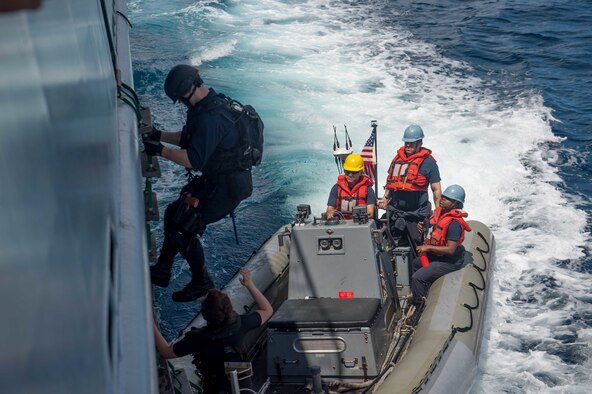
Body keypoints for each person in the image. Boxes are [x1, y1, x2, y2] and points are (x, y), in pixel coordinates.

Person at [143, 64, 258, 302]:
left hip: (227, 188)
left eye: (180, 99)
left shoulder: (211, 117)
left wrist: (161, 150)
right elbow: (190, 138)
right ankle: (163, 270)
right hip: (217, 179)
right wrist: (160, 135)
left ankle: (202, 281)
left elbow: (192, 159)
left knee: (184, 226)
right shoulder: (210, 105)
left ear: (188, 91)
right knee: (175, 212)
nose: (181, 103)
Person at [153, 267, 273, 394]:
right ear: (229, 309)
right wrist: (249, 284)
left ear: (204, 315)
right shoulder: (241, 324)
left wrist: (152, 324)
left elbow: (166, 352)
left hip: (216, 388)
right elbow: (267, 310)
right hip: (244, 388)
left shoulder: (197, 338)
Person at [377, 124, 441, 246]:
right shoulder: (397, 159)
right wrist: (385, 198)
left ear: (420, 143)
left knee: (417, 247)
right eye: (406, 142)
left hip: (416, 216)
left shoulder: (429, 163)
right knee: (384, 241)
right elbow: (390, 182)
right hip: (395, 212)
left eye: (411, 143)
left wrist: (438, 213)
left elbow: (436, 190)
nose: (408, 145)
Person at [411, 184, 471, 306]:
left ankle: (418, 307)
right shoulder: (439, 214)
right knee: (416, 263)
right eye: (443, 196)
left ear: (455, 204)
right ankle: (422, 291)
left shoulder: (454, 224)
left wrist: (427, 247)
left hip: (450, 261)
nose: (442, 199)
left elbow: (450, 249)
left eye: (446, 198)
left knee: (418, 277)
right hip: (438, 256)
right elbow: (434, 232)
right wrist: (423, 228)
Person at [326, 153, 376, 219]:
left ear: (361, 172)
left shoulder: (368, 190)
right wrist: (330, 214)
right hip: (340, 225)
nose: (350, 175)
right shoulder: (336, 188)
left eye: (354, 172)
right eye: (347, 171)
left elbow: (370, 213)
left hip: (360, 225)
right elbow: (330, 209)